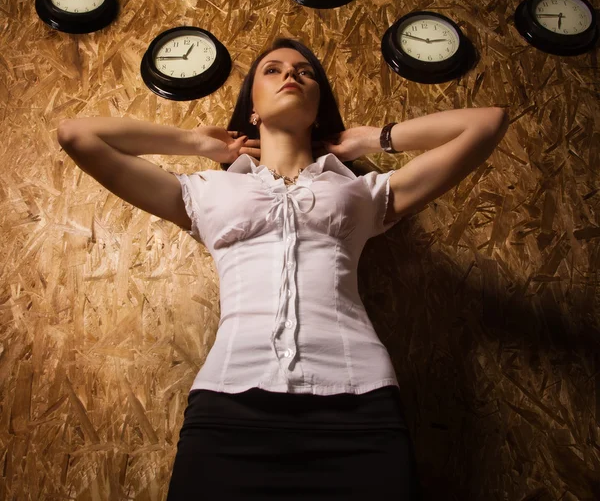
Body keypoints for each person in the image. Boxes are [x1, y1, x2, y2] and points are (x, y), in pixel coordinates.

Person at [57, 37, 507, 500]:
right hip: (230, 408)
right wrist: (195, 142)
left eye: (305, 72)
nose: (291, 75)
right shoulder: (205, 190)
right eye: (271, 70)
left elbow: (486, 123)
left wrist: (376, 138)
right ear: (251, 107)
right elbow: (77, 135)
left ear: (318, 108)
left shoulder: (363, 192)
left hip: (358, 408)